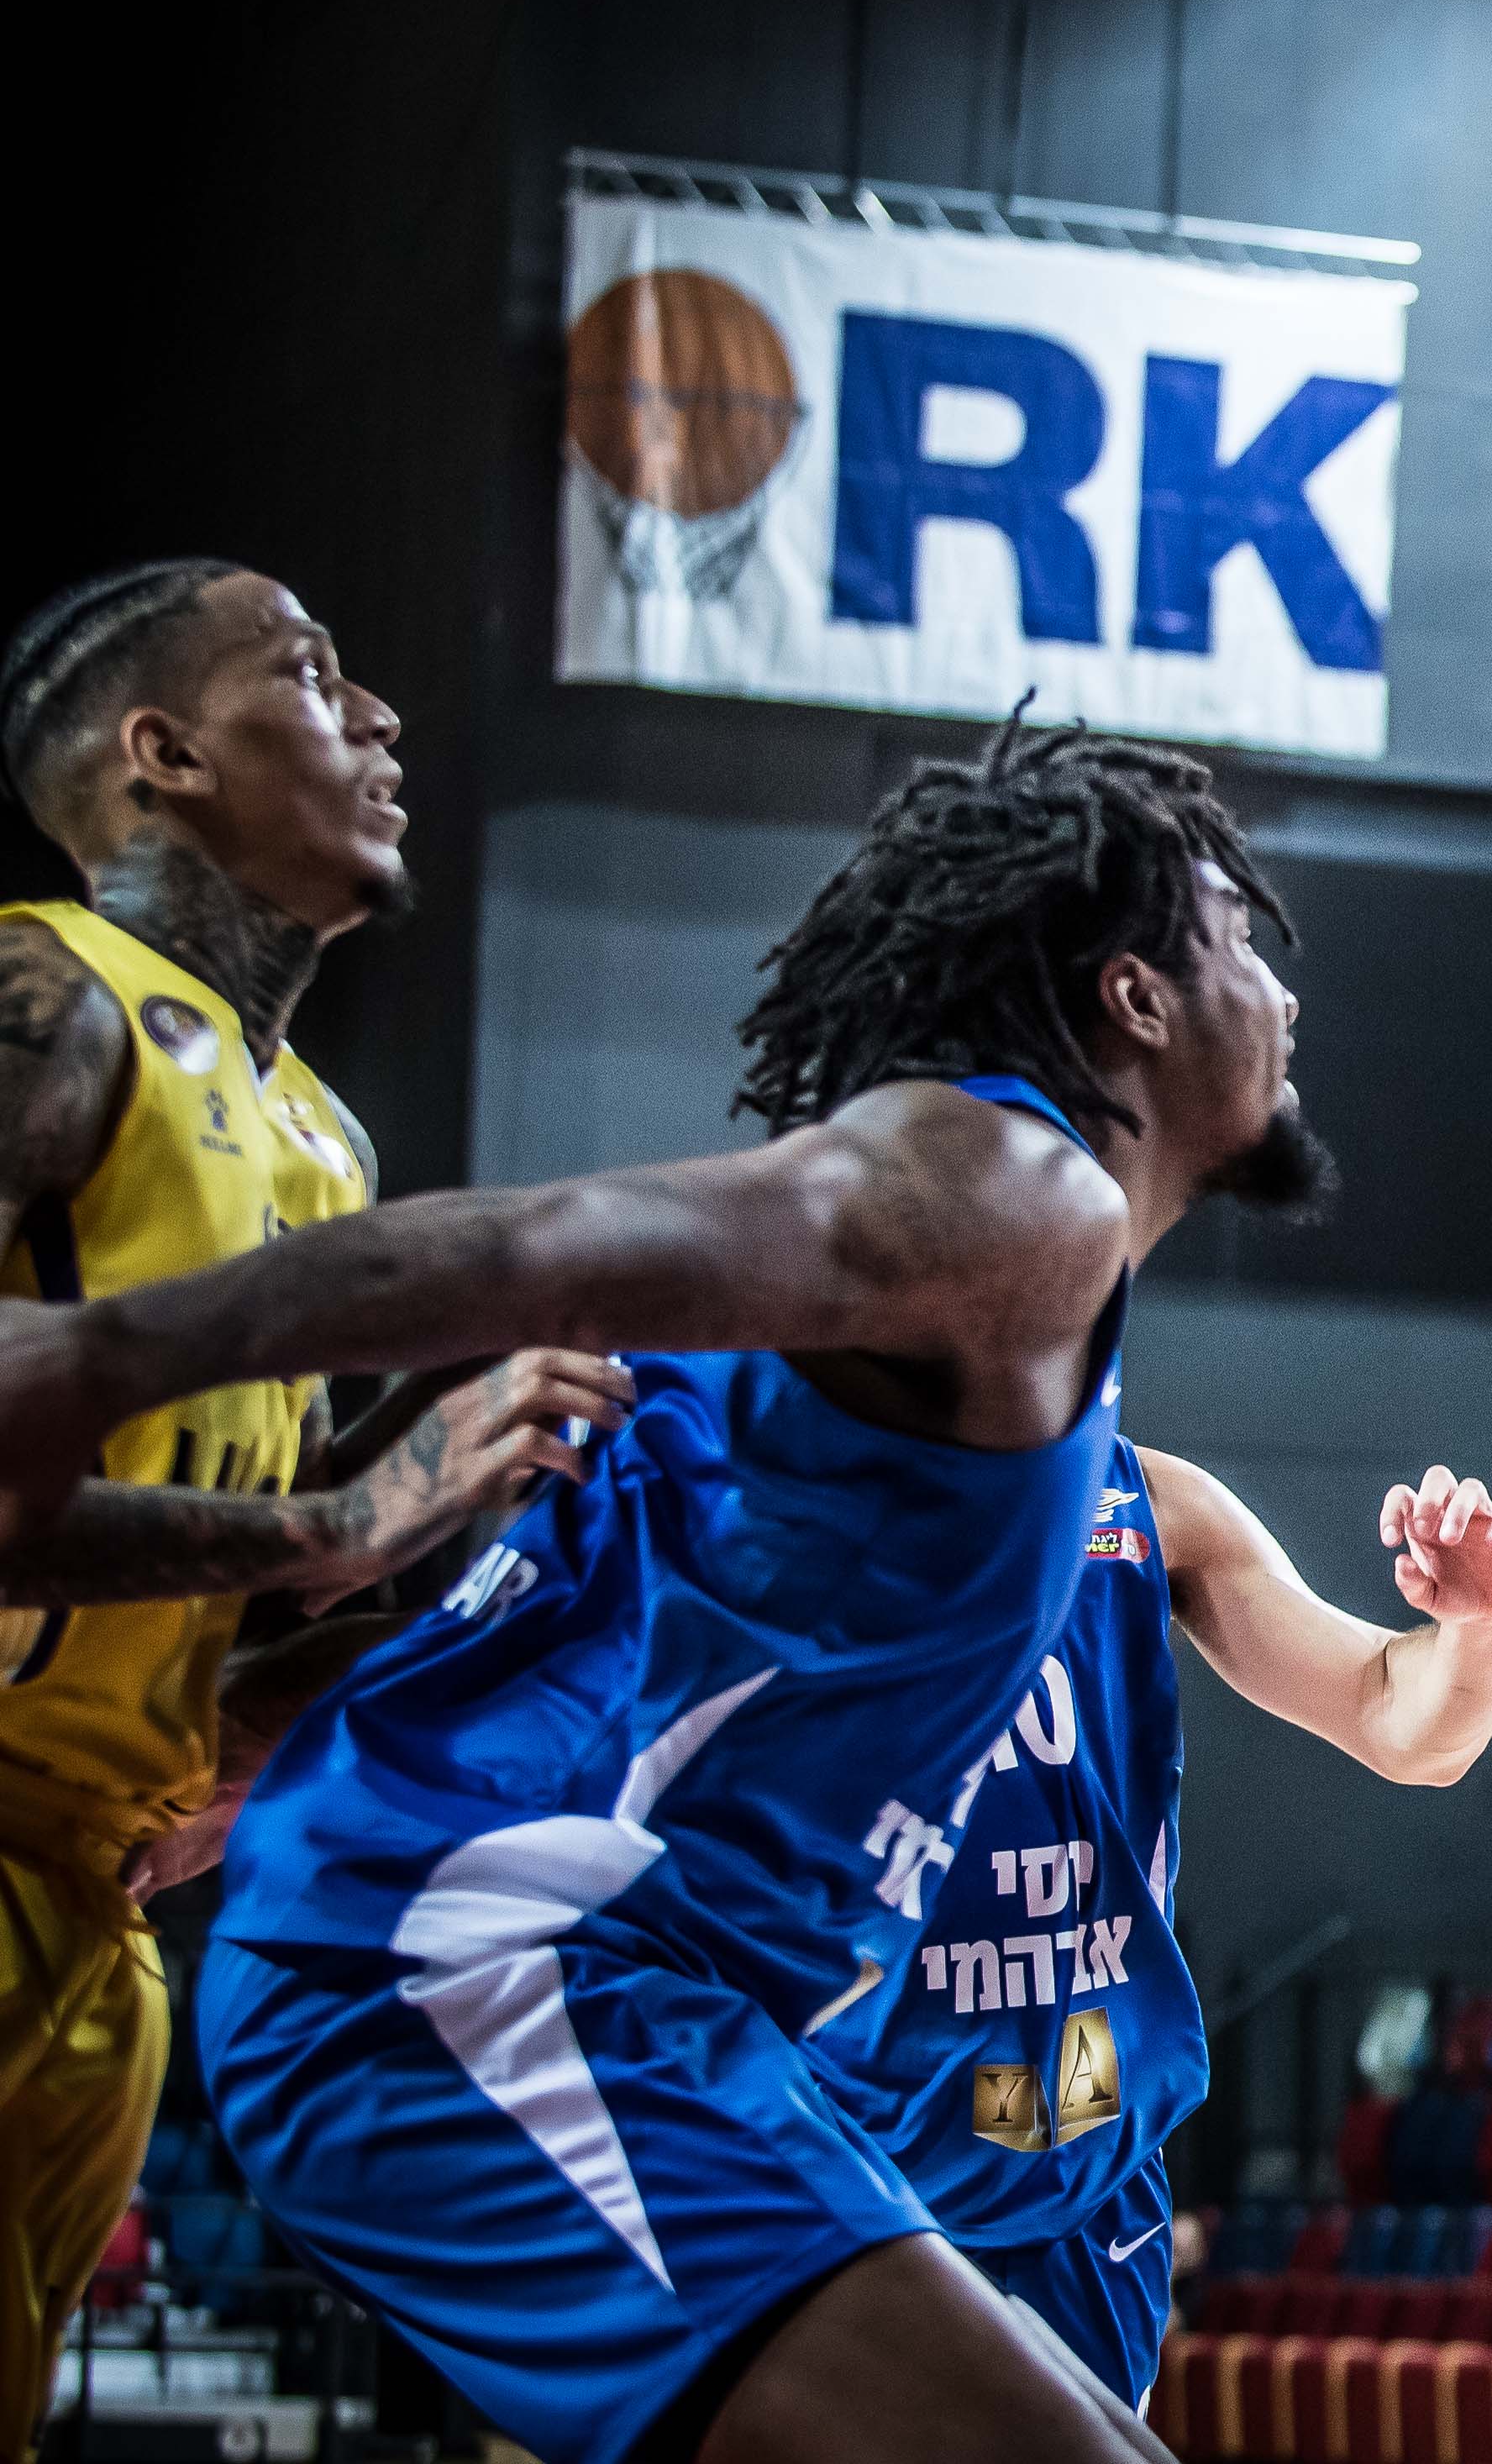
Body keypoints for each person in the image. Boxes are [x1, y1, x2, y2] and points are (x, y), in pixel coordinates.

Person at [0, 718, 1356, 2464]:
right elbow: (545, 1243)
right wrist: (99, 1358)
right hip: (487, 1972)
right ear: (1137, 997)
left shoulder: (878, 1326)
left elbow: (585, 1614)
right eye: (1241, 939)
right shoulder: (1022, 1193)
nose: (1284, 991)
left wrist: (281, 1735)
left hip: (558, 1972)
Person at [0, 560, 622, 2449]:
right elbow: (298, 1535)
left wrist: (487, 1494)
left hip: (94, 1894)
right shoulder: (46, 998)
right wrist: (348, 1526)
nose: (381, 716)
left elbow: (265, 1584)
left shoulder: (317, 1135)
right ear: (167, 752)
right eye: (310, 673)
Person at [810, 1439, 1492, 2414]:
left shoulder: (1148, 1501)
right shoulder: (744, 1487)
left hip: (1081, 2164)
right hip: (842, 2157)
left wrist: (1482, 1628)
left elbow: (1395, 1719)